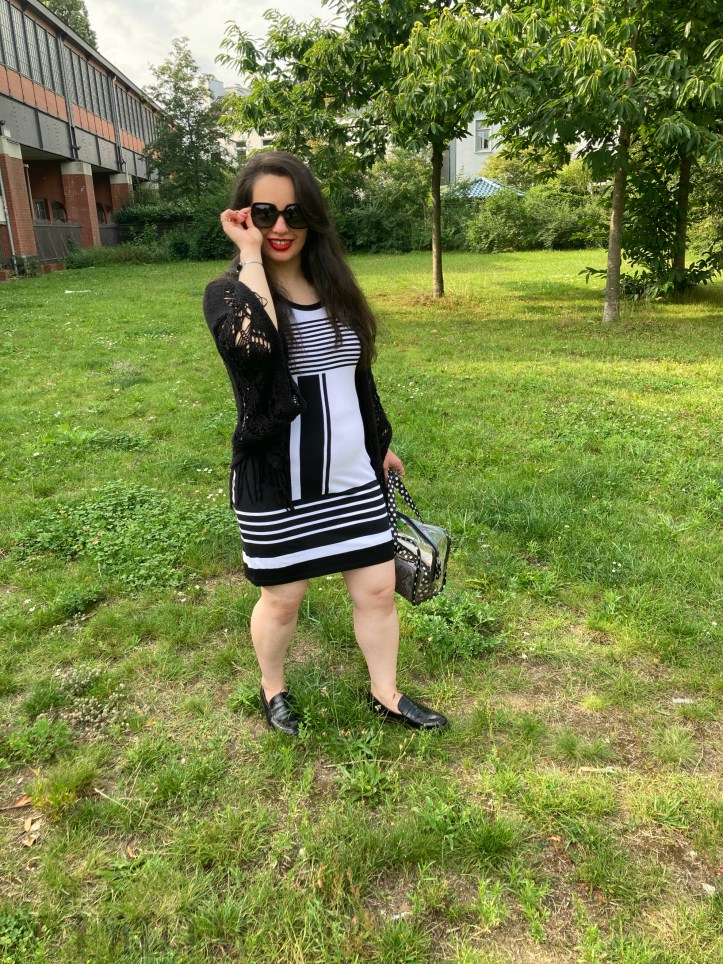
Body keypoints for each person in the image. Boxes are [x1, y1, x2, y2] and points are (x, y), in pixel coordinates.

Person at [203, 152, 447, 737]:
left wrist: (378, 442)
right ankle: (274, 689)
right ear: (244, 216)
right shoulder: (228, 293)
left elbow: (357, 375)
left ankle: (385, 692)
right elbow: (257, 352)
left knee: (379, 588)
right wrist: (251, 258)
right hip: (276, 481)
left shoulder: (334, 286)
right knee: (283, 600)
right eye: (265, 213)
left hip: (351, 473)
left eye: (293, 213)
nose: (281, 226)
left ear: (312, 218)